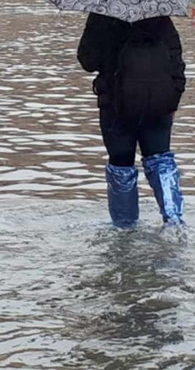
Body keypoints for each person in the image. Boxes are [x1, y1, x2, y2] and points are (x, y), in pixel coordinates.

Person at [78, 14, 187, 228]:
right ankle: (174, 221)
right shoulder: (160, 17)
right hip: (158, 104)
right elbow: (176, 61)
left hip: (115, 105)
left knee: (121, 164)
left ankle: (125, 227)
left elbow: (87, 61)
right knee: (161, 159)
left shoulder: (102, 16)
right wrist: (173, 100)